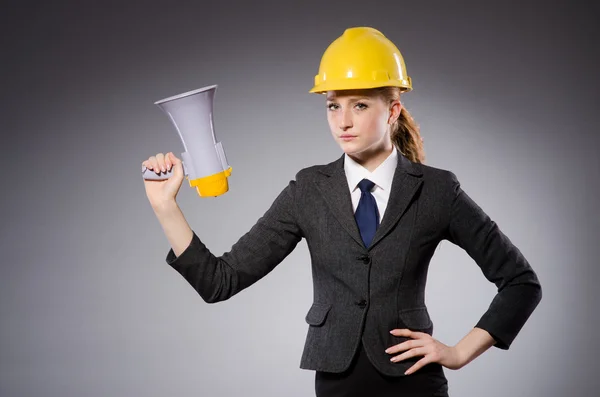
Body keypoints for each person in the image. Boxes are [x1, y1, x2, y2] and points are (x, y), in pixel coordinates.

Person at [142, 27, 542, 397]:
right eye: (333, 106)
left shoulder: (436, 190)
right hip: (336, 384)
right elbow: (219, 281)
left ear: (393, 111)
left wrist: (458, 353)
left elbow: (521, 283)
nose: (343, 122)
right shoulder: (308, 190)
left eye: (360, 105)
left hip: (414, 384)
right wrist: (165, 207)